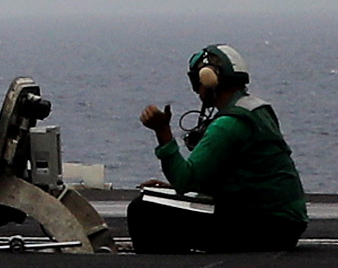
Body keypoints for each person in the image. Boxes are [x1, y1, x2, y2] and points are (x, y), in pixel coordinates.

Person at [129, 43, 308, 254]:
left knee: (143, 210)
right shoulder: (257, 109)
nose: (197, 90)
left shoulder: (229, 124)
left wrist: (162, 131)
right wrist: (170, 188)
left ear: (208, 79)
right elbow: (240, 177)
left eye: (196, 81)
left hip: (265, 227)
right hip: (285, 223)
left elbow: (185, 180)